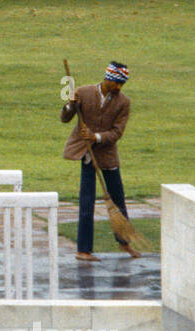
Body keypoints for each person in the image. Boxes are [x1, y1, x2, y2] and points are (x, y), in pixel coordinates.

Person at [60, 61, 140, 261]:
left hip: (107, 155)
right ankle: (83, 250)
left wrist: (95, 137)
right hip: (86, 154)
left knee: (117, 200)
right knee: (86, 202)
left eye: (122, 84)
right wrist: (70, 104)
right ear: (108, 79)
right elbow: (65, 117)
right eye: (117, 83)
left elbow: (116, 132)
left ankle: (124, 243)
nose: (119, 88)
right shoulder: (84, 93)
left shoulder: (123, 102)